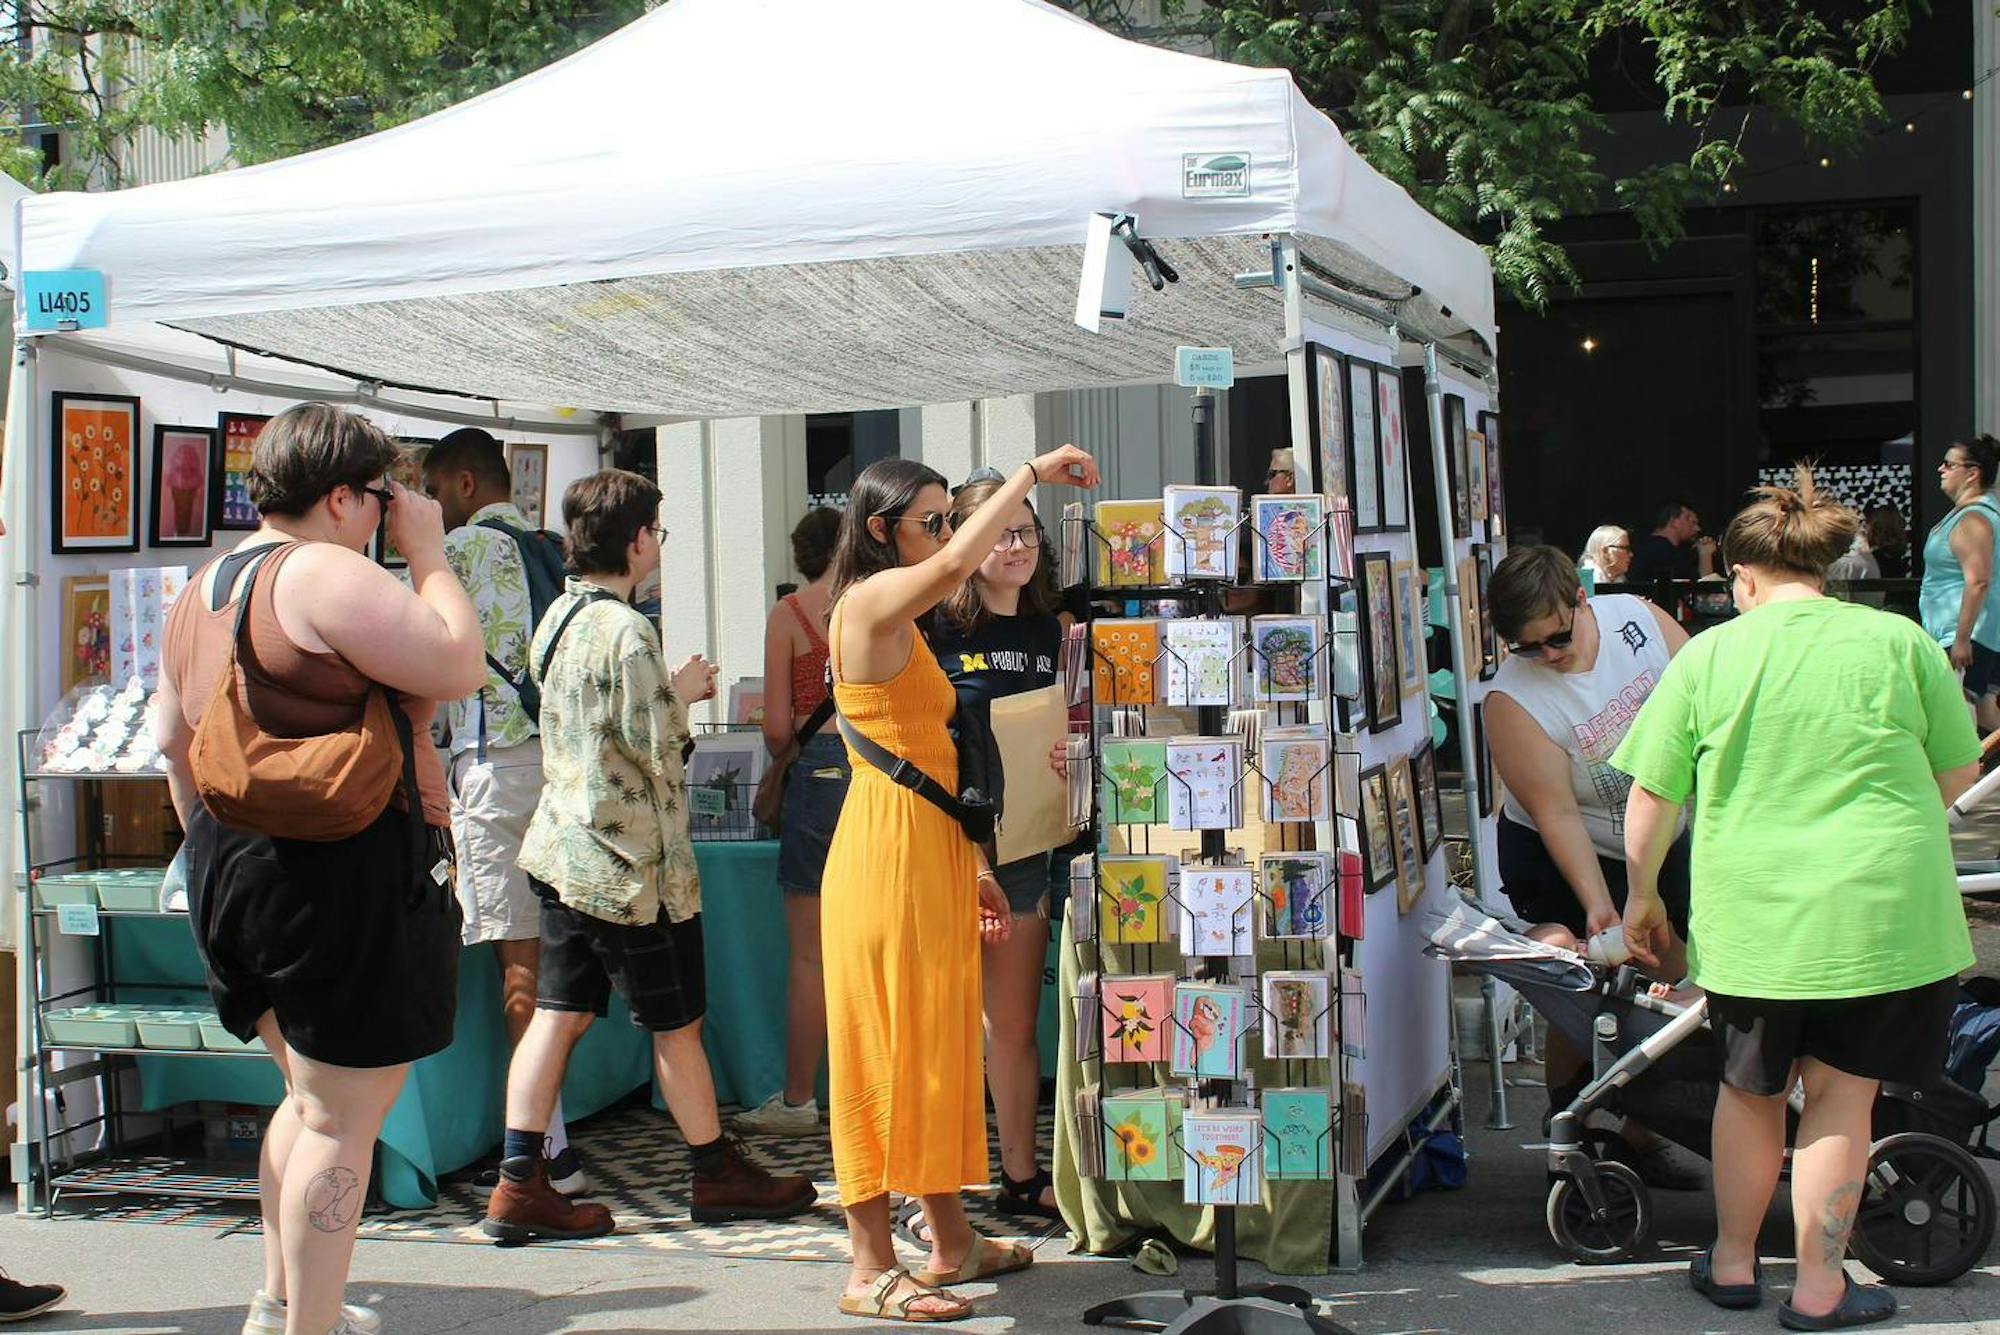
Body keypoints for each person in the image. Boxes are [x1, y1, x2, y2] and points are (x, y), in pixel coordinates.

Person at [1615, 467, 1979, 1329]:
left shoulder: (1710, 654)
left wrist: (1642, 897)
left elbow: (1653, 797)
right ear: (1821, 569)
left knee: (1750, 1092)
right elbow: (1958, 776)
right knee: (1843, 1096)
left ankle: (1732, 1262)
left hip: (1756, 919)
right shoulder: (1900, 642)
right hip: (1883, 915)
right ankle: (1821, 1287)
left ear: (1743, 577)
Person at [156, 402, 486, 1335]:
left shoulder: (205, 585)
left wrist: (220, 851)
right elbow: (458, 660)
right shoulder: (321, 571)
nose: (389, 511)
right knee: (343, 1118)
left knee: (309, 1102)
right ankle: (311, 1324)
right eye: (382, 495)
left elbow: (171, 742)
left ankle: (280, 1303)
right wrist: (429, 553)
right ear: (342, 495)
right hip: (335, 873)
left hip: (233, 863)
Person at [484, 470, 815, 1243]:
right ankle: (715, 1170)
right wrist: (684, 693)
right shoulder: (630, 631)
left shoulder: (559, 616)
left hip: (564, 849)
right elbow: (657, 748)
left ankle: (517, 1179)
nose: (657, 546)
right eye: (656, 533)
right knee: (677, 1022)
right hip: (633, 866)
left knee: (558, 1016)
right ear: (636, 539)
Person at [822, 446, 1099, 1324]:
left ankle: (951, 1237)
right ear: (881, 530)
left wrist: (976, 865)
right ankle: (870, 1265)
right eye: (934, 521)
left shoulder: (905, 616)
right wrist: (1031, 475)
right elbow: (952, 571)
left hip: (932, 846)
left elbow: (937, 758)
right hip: (887, 854)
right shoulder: (869, 601)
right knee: (882, 1052)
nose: (950, 536)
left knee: (938, 1047)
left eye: (952, 518)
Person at [1482, 545, 1699, 1189]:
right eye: (1528, 648)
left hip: (1658, 830)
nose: (1549, 656)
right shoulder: (1513, 700)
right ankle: (1574, 1125)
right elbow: (1556, 815)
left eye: (1558, 637)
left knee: (1673, 973)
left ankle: (1642, 1125)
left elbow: (1709, 699)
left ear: (1581, 599)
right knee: (1586, 984)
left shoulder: (1638, 620)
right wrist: (1599, 904)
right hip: (1566, 847)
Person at [419, 428, 584, 1194]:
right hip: (560, 766)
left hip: (494, 768)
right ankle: (551, 1138)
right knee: (558, 963)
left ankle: (544, 1151)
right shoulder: (553, 550)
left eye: (432, 493)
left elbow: (418, 667)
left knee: (518, 968)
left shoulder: (454, 555)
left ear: (461, 483)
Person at [923, 469, 1072, 1222]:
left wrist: (1071, 754)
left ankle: (1019, 1175)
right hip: (944, 845)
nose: (1016, 547)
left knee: (1011, 1024)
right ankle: (929, 1185)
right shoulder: (935, 629)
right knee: (941, 1022)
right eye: (1001, 533)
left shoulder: (1050, 631)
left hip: (1023, 846)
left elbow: (1067, 723)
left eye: (1026, 532)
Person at [736, 507, 847, 1137]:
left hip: (819, 775)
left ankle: (799, 1099)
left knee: (811, 956)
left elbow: (779, 728)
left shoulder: (791, 616)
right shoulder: (883, 606)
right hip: (881, 772)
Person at [1917, 435, 2000, 723]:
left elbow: (1978, 581)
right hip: (1973, 635)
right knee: (1985, 715)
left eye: (1949, 464)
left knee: (1957, 719)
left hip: (1964, 636)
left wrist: (1962, 640)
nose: (1940, 469)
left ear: (1972, 473)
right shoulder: (1973, 514)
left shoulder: (1973, 520)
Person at [1626, 500, 1717, 585]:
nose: (1698, 529)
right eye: (1692, 522)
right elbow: (1699, 589)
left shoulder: (1645, 545)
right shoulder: (1664, 552)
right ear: (1674, 522)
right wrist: (1706, 555)